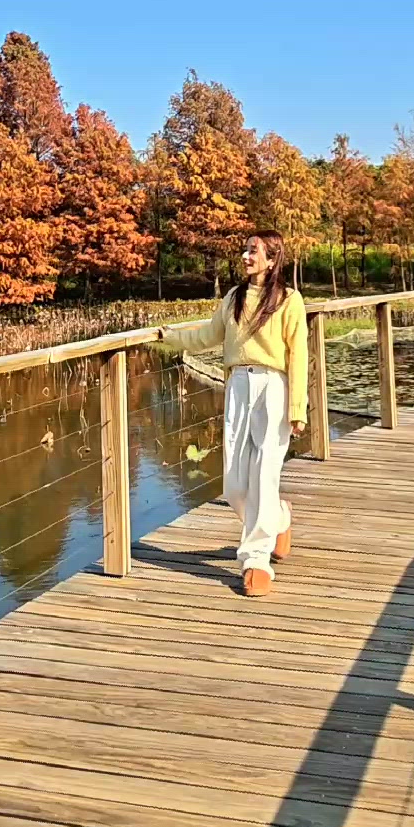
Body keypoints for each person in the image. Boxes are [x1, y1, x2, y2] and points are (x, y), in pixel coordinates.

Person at [157, 229, 308, 598]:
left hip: (274, 387)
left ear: (272, 259)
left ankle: (256, 560)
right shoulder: (234, 298)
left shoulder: (289, 300)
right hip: (238, 386)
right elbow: (208, 336)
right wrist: (168, 336)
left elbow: (298, 355)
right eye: (245, 249)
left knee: (263, 473)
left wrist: (298, 407)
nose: (245, 255)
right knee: (234, 484)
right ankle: (279, 517)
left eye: (253, 251)